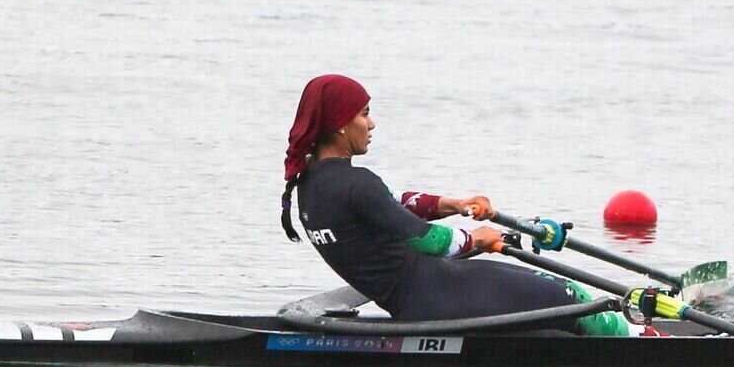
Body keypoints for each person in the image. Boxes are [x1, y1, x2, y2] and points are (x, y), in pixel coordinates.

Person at [281, 74, 664, 336]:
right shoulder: (356, 183)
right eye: (364, 114)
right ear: (339, 124)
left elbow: (395, 205)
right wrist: (476, 239)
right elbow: (425, 240)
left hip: (417, 298)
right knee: (577, 299)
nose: (373, 123)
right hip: (439, 295)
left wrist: (454, 203)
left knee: (537, 301)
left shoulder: (310, 186)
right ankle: (647, 341)